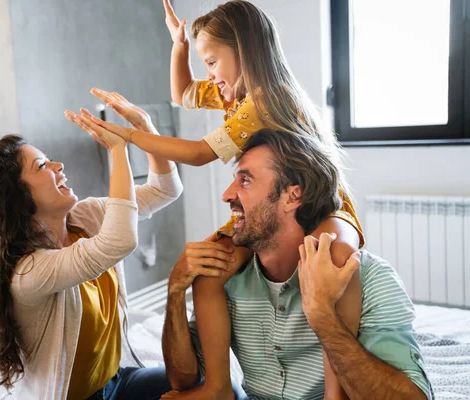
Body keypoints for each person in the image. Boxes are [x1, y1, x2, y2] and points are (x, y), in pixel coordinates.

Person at [81, 0, 364, 397]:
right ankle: (217, 387)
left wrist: (126, 136)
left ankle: (337, 393)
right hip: (271, 209)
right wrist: (180, 44)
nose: (209, 75)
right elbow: (181, 93)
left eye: (212, 62)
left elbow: (199, 153)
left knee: (332, 260)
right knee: (210, 270)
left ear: (244, 52)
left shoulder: (266, 99)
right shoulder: (231, 92)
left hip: (321, 206)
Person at [161, 129, 433, 400]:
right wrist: (174, 291)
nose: (227, 194)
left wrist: (323, 316)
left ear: (293, 196)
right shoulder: (226, 278)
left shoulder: (371, 278)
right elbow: (183, 380)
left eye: (245, 181)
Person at [0, 106, 183, 400]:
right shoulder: (29, 272)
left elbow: (165, 190)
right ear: (17, 197)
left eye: (50, 160)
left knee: (209, 382)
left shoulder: (86, 217)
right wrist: (117, 151)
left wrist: (145, 128)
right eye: (41, 166)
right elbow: (118, 242)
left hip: (117, 381)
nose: (58, 166)